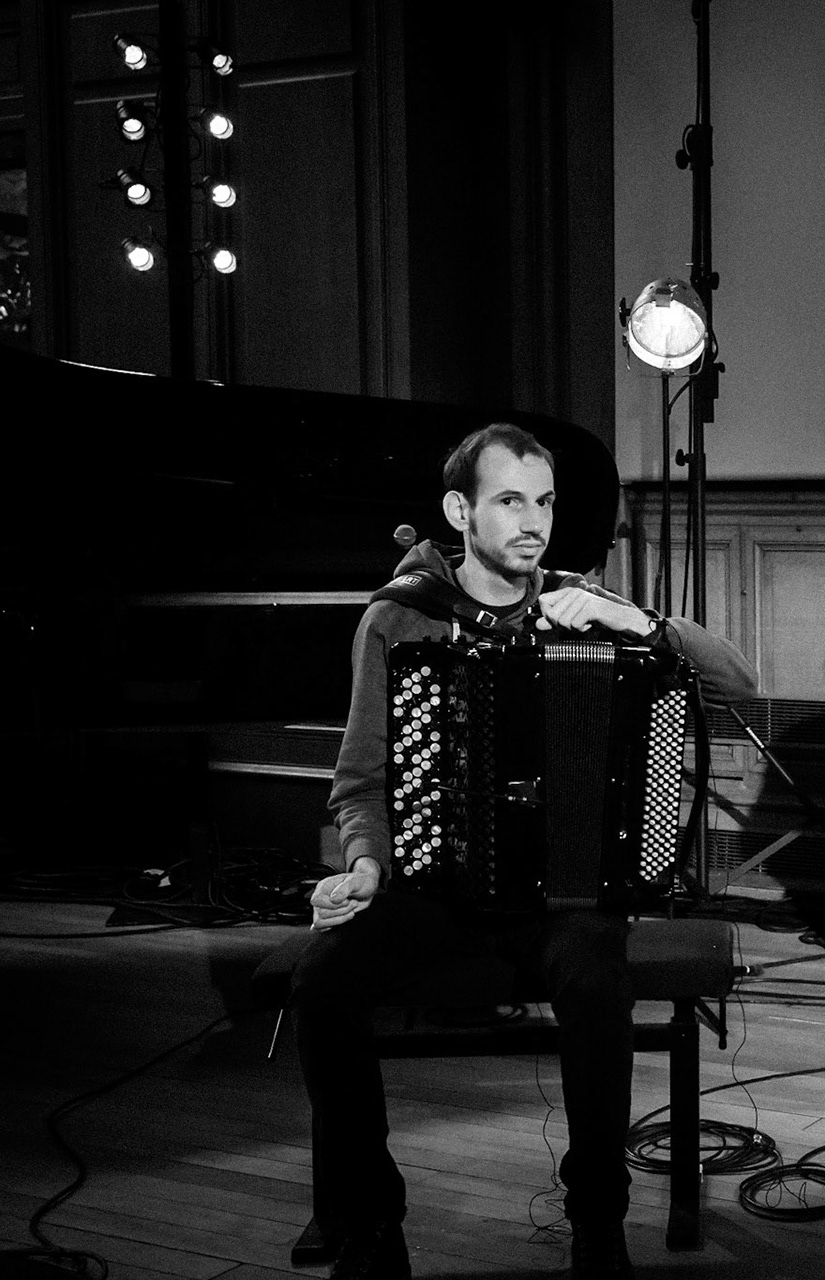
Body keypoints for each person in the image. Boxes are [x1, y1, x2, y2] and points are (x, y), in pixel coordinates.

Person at [293, 423, 756, 1280]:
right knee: (321, 986)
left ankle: (597, 1222)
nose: (534, 520)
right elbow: (360, 781)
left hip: (566, 895)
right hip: (435, 890)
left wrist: (635, 618)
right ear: (458, 511)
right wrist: (362, 864)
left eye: (543, 501)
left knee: (593, 973)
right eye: (510, 500)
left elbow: (738, 683)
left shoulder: (582, 604)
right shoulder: (402, 617)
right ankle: (369, 1221)